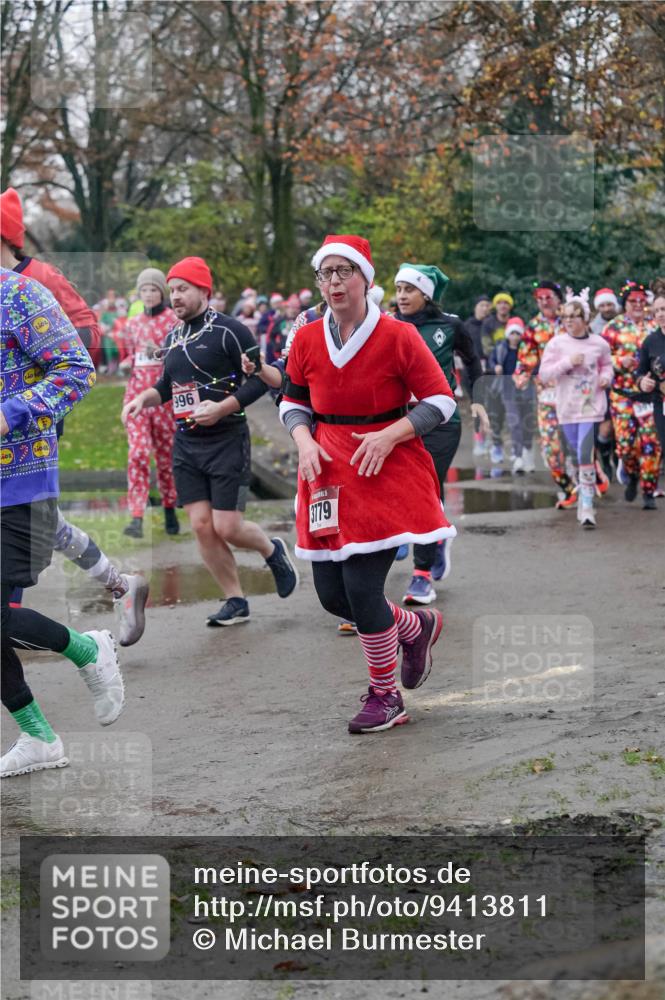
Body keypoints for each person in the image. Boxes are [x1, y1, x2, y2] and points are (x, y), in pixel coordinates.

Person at [280, 234, 457, 734]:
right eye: (325, 273)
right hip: (325, 472)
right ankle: (416, 626)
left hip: (384, 468)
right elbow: (293, 401)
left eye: (344, 271)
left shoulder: (398, 335)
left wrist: (391, 434)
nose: (334, 282)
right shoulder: (309, 337)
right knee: (333, 598)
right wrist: (304, 441)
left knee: (361, 589)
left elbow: (441, 400)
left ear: (365, 279)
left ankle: (386, 696)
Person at [0, 187, 147, 647]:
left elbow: (85, 331)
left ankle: (12, 620)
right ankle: (119, 582)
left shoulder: (37, 278)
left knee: (28, 520)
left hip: (35, 416)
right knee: (47, 523)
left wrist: (35, 389)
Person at [121, 256, 298, 625]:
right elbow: (165, 387)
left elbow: (259, 381)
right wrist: (143, 399)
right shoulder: (172, 338)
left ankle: (271, 549)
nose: (176, 297)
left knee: (228, 527)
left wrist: (222, 408)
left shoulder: (231, 331)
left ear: (205, 290)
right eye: (172, 291)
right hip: (187, 443)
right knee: (202, 525)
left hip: (227, 438)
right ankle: (235, 600)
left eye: (183, 289)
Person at [1, 268, 124, 778]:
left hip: (19, 485)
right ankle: (38, 738)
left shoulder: (16, 294)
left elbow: (76, 368)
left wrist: (13, 411)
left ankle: (87, 648)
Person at [393, 263, 487, 604]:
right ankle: (432, 534)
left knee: (426, 489)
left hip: (440, 419)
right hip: (397, 419)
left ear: (426, 294)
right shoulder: (387, 324)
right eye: (399, 289)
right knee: (397, 486)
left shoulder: (449, 325)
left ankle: (421, 576)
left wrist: (478, 402)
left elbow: (472, 360)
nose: (402, 296)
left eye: (409, 290)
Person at [539, 289, 613, 527]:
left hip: (591, 406)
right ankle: (583, 490)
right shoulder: (556, 344)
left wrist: (605, 377)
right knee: (575, 454)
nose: (569, 320)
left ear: (586, 319)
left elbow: (607, 366)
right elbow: (544, 374)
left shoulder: (599, 344)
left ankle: (588, 505)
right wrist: (568, 362)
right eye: (566, 316)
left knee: (584, 453)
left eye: (575, 316)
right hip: (567, 407)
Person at [120, 267, 179, 539]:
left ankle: (169, 509)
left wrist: (158, 352)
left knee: (166, 459)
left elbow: (178, 357)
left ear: (161, 293)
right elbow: (133, 358)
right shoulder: (131, 324)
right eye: (144, 290)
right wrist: (127, 363)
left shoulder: (173, 321)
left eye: (154, 289)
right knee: (138, 453)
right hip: (136, 398)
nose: (149, 294)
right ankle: (136, 516)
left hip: (165, 399)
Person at [514, 279, 576, 505]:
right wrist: (521, 374)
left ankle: (584, 481)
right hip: (547, 393)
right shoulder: (534, 327)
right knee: (550, 448)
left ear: (558, 298)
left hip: (576, 392)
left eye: (548, 297)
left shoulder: (572, 320)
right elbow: (525, 359)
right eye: (539, 299)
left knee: (578, 443)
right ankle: (567, 486)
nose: (543, 302)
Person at [602, 281, 660, 509]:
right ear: (624, 304)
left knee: (651, 444)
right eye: (632, 301)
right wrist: (619, 361)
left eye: (641, 301)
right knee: (626, 445)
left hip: (650, 395)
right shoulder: (613, 328)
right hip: (623, 394)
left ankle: (648, 490)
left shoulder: (655, 325)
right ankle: (632, 473)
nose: (637, 305)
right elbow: (601, 358)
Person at [489, 317, 536, 474]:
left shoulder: (527, 349)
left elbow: (535, 365)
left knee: (527, 423)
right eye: (512, 333)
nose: (515, 336)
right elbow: (492, 359)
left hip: (526, 389)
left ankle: (528, 453)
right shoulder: (501, 348)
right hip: (507, 389)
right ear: (508, 334)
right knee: (514, 422)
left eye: (518, 333)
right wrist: (495, 366)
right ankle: (518, 457)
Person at [482, 293, 514, 462]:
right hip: (493, 374)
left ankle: (516, 448)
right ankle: (496, 444)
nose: (503, 306)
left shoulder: (515, 322)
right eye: (499, 303)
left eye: (505, 303)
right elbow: (486, 348)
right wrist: (499, 355)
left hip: (513, 375)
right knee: (495, 413)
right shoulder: (489, 323)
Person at [636, 293, 665, 456]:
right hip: (662, 404)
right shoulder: (650, 341)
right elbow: (640, 373)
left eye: (664, 309)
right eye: (657, 311)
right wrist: (642, 383)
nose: (661, 314)